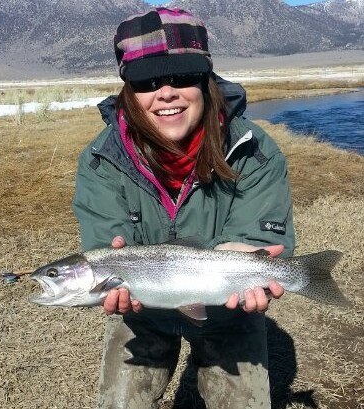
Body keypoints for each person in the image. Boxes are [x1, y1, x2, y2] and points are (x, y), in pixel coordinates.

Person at [73, 7, 295, 409]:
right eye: (146, 80)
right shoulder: (100, 160)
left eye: (183, 76)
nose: (166, 92)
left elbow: (259, 236)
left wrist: (251, 252)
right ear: (127, 89)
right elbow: (107, 245)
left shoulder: (254, 151)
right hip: (142, 305)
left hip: (227, 303)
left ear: (206, 80)